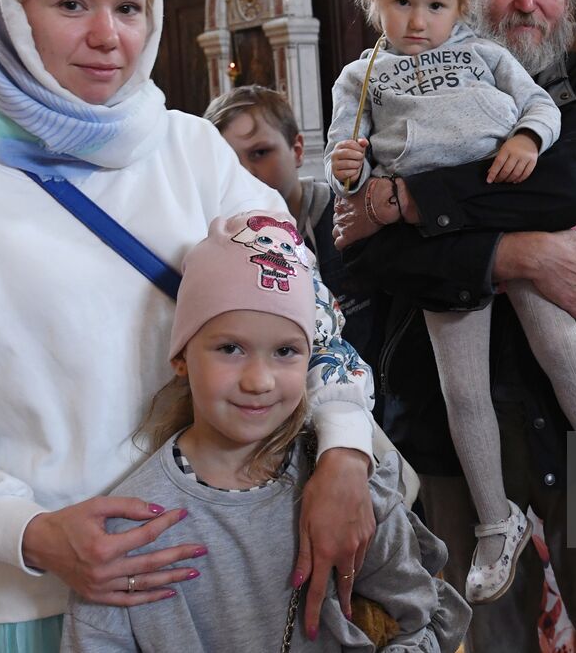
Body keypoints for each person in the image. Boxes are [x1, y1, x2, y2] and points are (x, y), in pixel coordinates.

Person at [0, 0, 377, 651]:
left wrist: (343, 454)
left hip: (255, 567)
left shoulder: (196, 153)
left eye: (129, 6)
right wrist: (36, 535)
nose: (109, 35)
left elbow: (315, 325)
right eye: (72, 3)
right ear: (11, 14)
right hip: (63, 597)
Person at [334, 0, 576, 652]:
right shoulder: (386, 90)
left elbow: (567, 190)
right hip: (448, 419)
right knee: (482, 636)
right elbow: (362, 254)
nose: (526, 0)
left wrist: (408, 199)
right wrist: (511, 255)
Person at [62, 212, 469, 652]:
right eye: (230, 348)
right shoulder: (130, 529)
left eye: (285, 351)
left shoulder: (354, 496)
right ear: (180, 357)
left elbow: (422, 619)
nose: (259, 380)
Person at [203, 85, 377, 357]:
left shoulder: (348, 213)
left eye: (260, 153)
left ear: (296, 150)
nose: (245, 173)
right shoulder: (217, 245)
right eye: (228, 162)